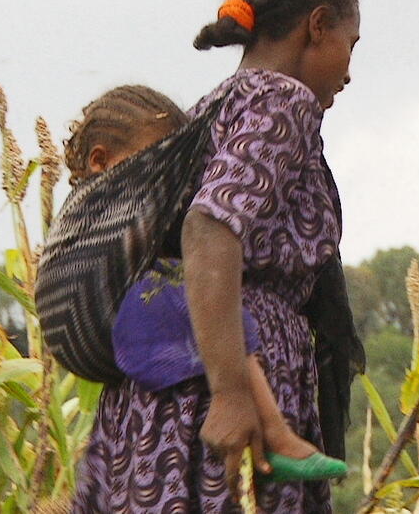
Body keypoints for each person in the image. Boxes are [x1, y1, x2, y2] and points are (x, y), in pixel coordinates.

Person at [72, 0, 360, 513]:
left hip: (164, 394)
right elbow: (209, 226)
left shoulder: (214, 106)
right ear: (317, 26)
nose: (349, 73)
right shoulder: (282, 100)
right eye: (349, 47)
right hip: (215, 388)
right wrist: (231, 391)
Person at [62, 84, 346, 480]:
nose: (168, 179)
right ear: (100, 161)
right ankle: (278, 434)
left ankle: (277, 434)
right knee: (224, 321)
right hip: (134, 318)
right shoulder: (102, 207)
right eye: (156, 160)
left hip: (134, 328)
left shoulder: (107, 202)